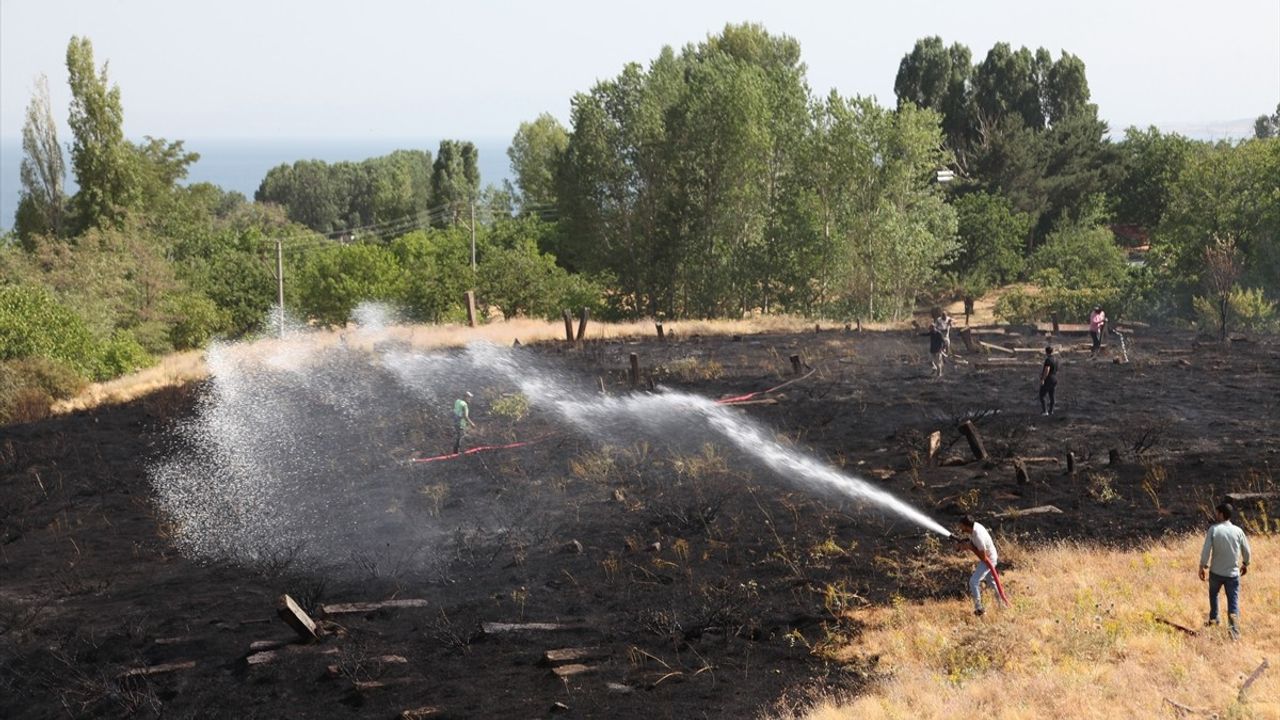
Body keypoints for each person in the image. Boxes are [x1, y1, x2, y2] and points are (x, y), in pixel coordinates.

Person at [1199, 502, 1252, 639]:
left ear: (1221, 514)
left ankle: (1214, 620)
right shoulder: (1238, 531)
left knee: (1213, 596)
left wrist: (1202, 566)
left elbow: (1206, 550)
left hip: (1216, 573)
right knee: (1233, 602)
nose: (1215, 515)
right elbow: (1246, 551)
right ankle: (1234, 633)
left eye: (1216, 513)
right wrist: (1245, 563)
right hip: (1233, 575)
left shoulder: (1214, 530)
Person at [956, 515, 999, 616]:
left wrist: (970, 548)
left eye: (961, 526)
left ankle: (979, 608)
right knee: (992, 583)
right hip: (989, 556)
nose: (960, 528)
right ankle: (1002, 604)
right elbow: (973, 543)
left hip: (989, 559)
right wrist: (964, 543)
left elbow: (983, 558)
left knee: (973, 581)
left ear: (966, 526)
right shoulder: (974, 527)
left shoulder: (978, 535)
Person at [1039, 345, 1059, 416]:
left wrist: (1043, 379)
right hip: (1055, 378)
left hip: (1049, 379)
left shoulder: (1048, 360)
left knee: (1042, 395)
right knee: (1052, 395)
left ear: (1046, 352)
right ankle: (1051, 411)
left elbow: (1047, 370)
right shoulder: (1056, 359)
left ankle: (1045, 411)